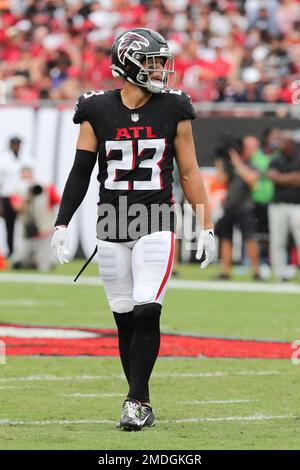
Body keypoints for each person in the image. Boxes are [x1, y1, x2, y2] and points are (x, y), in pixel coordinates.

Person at [51, 28, 215, 432]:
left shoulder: (174, 107)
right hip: (111, 220)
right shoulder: (96, 108)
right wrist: (62, 221)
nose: (161, 69)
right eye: (153, 61)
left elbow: (190, 171)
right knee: (125, 317)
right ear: (127, 64)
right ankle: (140, 398)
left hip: (155, 218)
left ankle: (136, 400)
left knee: (147, 307)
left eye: (162, 61)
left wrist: (205, 224)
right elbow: (81, 171)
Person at [214, 135, 261, 279]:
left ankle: (256, 271)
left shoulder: (252, 163)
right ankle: (225, 271)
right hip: (230, 206)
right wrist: (221, 164)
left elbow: (252, 180)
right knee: (226, 237)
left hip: (244, 206)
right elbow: (220, 180)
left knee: (249, 238)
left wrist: (237, 161)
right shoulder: (230, 164)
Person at [11, 166, 61, 271]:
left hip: (44, 230)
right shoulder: (17, 191)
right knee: (17, 260)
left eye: (28, 174)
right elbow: (17, 208)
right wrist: (27, 197)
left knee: (44, 266)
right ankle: (31, 261)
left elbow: (58, 201)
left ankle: (40, 261)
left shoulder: (46, 188)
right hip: (28, 230)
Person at [267, 136, 300, 281]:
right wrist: (291, 178)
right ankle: (279, 274)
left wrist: (281, 178)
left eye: (284, 143)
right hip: (278, 206)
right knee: (277, 241)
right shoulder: (276, 159)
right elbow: (271, 176)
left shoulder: (298, 158)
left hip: (297, 206)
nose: (281, 146)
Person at [0, 137, 32, 255]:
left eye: (18, 144)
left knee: (25, 225)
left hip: (22, 196)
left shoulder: (26, 159)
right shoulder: (3, 160)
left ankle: (25, 253)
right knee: (10, 226)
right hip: (7, 196)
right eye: (14, 144)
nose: (16, 146)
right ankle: (11, 251)